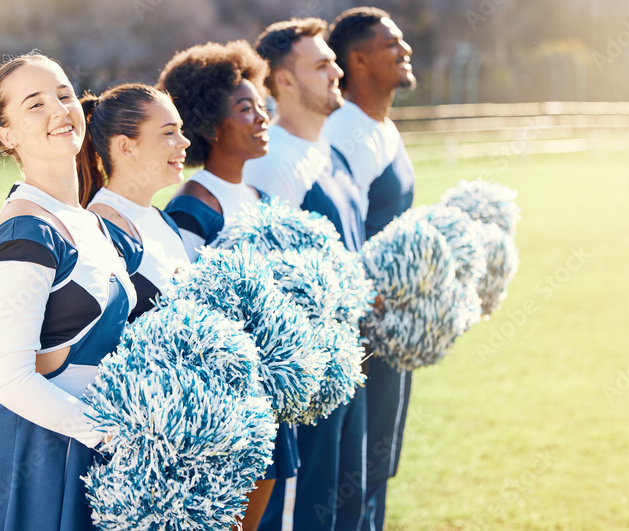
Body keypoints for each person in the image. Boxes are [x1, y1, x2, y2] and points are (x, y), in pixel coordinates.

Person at [0, 52, 134, 530]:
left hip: (93, 453)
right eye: (35, 104)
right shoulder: (26, 231)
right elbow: (9, 380)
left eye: (64, 95)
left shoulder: (86, 220)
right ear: (8, 135)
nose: (60, 111)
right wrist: (117, 436)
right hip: (36, 462)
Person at [156, 40, 286, 529]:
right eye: (245, 108)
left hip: (273, 389)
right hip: (230, 399)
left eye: (261, 105)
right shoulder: (189, 209)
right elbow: (190, 312)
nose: (261, 118)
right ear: (210, 125)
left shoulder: (261, 196)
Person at [246, 18, 367, 531]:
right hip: (306, 379)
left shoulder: (334, 155)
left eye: (333, 61)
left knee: (343, 504)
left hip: (347, 364)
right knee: (300, 514)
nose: (336, 70)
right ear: (284, 81)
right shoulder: (269, 163)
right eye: (321, 65)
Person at [323, 8, 418, 530]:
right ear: (357, 58)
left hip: (391, 328)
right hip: (358, 330)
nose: (404, 51)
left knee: (379, 463)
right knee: (352, 473)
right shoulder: (345, 134)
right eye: (391, 44)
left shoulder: (383, 126)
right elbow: (340, 234)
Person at [76, 83, 192, 320]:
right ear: (126, 147)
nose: (184, 142)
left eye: (180, 130)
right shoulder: (101, 229)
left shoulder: (163, 219)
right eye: (169, 132)